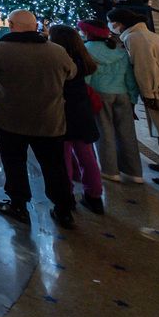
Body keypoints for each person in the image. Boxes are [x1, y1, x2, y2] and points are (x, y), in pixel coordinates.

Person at [0, 9, 77, 226]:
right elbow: (72, 72)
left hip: (11, 119)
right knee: (54, 166)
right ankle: (64, 210)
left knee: (14, 163)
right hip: (49, 120)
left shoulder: (0, 49)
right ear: (36, 26)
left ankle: (18, 204)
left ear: (10, 25)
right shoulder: (56, 51)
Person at [112, 7, 159, 188]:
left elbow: (145, 68)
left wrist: (148, 93)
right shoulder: (141, 33)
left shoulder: (135, 37)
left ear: (119, 24)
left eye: (111, 22)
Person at [46, 24, 104, 213]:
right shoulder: (83, 60)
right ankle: (95, 197)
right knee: (87, 157)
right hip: (82, 114)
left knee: (63, 159)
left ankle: (67, 197)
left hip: (62, 115)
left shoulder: (58, 62)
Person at [79, 19, 143, 183]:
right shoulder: (119, 52)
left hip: (100, 94)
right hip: (122, 94)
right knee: (127, 133)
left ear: (87, 33)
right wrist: (133, 98)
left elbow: (87, 78)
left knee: (104, 131)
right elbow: (130, 78)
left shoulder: (86, 51)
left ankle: (110, 171)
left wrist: (85, 99)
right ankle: (134, 172)